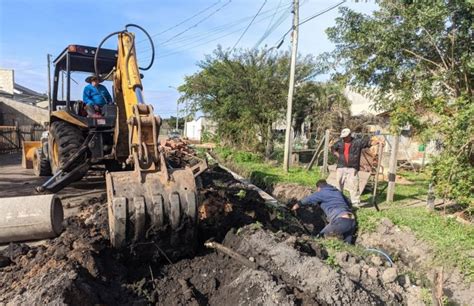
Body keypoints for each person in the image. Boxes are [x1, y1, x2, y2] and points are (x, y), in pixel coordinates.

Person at [292, 179, 356, 244]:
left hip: (341, 220)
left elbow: (309, 199)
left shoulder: (322, 192)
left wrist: (297, 205)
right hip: (352, 220)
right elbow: (348, 202)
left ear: (319, 188)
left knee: (319, 238)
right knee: (347, 245)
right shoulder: (337, 191)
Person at [331, 128, 376, 207]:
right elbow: (333, 148)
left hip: (352, 167)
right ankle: (338, 200)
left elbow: (368, 143)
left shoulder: (357, 142)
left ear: (349, 135)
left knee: (353, 185)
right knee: (338, 184)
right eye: (343, 137)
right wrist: (338, 155)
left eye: (345, 137)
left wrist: (377, 142)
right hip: (341, 166)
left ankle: (355, 203)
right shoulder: (339, 143)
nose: (344, 138)